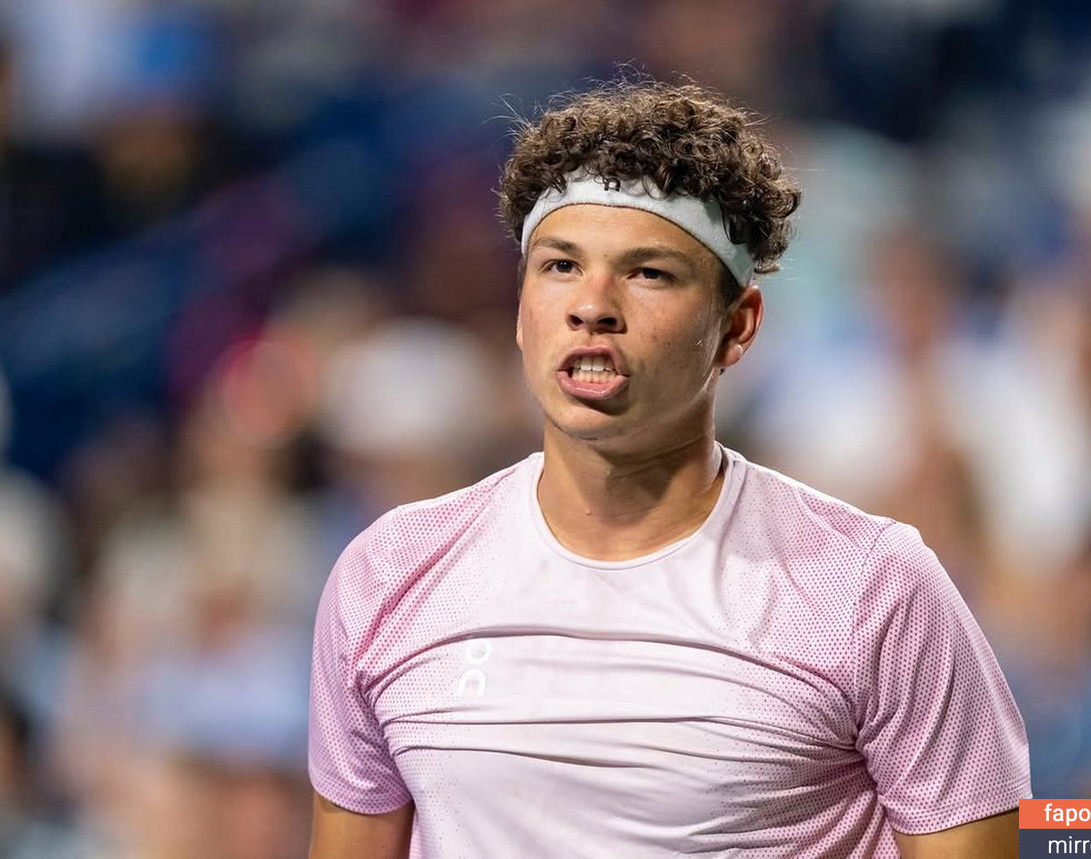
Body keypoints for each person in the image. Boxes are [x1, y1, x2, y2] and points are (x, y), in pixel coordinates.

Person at [308, 80, 1030, 858]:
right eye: (560, 265)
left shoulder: (871, 589)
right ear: (521, 309)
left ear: (737, 326)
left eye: (648, 272)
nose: (593, 305)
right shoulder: (388, 575)